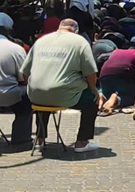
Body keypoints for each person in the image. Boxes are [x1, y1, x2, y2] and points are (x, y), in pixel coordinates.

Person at [22, 19, 101, 153]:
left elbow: (25, 72)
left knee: (44, 96)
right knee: (92, 101)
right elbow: (90, 72)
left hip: (36, 95)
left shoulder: (41, 41)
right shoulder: (80, 42)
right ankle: (82, 142)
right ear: (76, 31)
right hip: (65, 95)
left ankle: (40, 138)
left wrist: (32, 86)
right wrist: (94, 90)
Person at [97, 46, 135, 114]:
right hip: (122, 73)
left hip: (104, 74)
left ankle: (102, 97)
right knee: (132, 98)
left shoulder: (116, 51)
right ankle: (116, 99)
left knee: (108, 94)